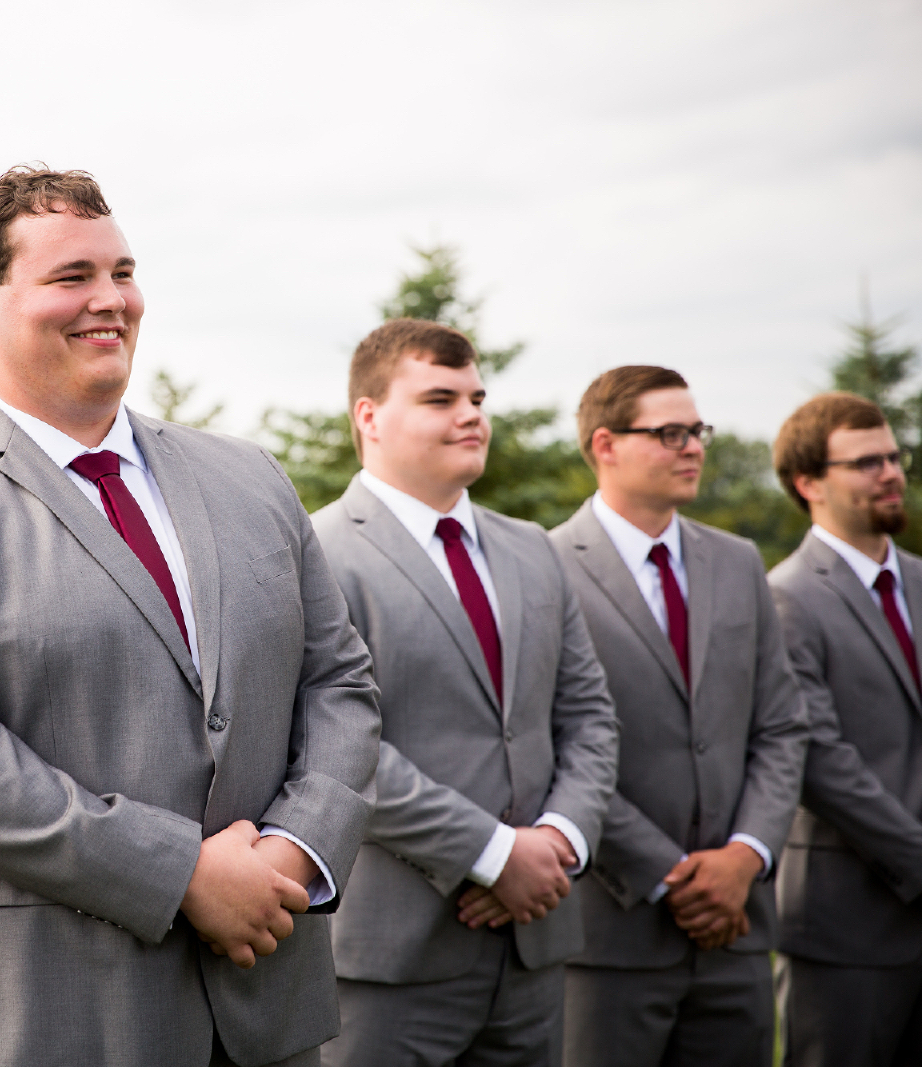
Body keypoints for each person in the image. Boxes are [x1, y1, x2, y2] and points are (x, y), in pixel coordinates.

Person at [0, 166, 382, 1067]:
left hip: (260, 1014)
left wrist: (296, 849)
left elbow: (340, 684)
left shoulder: (253, 478)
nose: (111, 300)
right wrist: (184, 873)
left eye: (122, 272)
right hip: (34, 1017)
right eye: (72, 277)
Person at [312, 318, 620, 1066]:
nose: (473, 413)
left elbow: (588, 717)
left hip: (536, 946)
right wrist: (490, 852)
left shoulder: (532, 550)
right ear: (370, 416)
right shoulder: (317, 551)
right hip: (393, 958)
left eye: (478, 397)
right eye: (441, 397)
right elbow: (337, 745)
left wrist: (557, 845)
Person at [548, 366, 807, 1067]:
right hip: (611, 936)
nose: (693, 446)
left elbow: (781, 726)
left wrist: (745, 857)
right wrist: (670, 872)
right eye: (671, 432)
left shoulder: (738, 560)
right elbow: (554, 747)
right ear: (605, 443)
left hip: (739, 930)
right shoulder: (544, 565)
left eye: (698, 431)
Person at [767, 392, 922, 1066]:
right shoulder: (784, 595)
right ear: (810, 483)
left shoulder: (921, 581)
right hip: (848, 922)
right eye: (866, 462)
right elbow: (819, 758)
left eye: (894, 456)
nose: (890, 472)